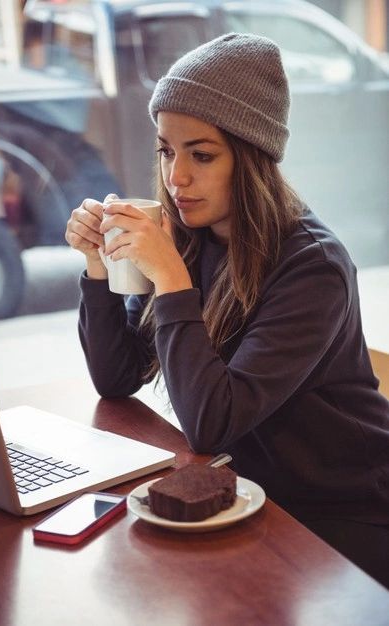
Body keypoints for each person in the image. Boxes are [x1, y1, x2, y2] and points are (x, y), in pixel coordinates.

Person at [66, 33, 389, 587]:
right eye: (167, 150)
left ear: (253, 157)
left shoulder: (313, 267)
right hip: (249, 491)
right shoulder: (194, 238)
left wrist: (168, 278)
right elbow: (116, 378)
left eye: (202, 154)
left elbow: (212, 424)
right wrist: (98, 269)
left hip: (344, 506)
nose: (176, 177)